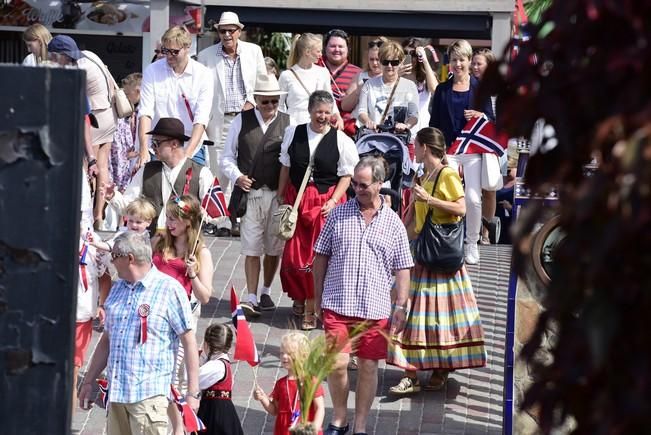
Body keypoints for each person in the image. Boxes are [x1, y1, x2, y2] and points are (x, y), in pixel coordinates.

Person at [313, 156, 413, 435]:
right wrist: (317, 296)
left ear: (380, 184)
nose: (357, 189)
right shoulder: (338, 214)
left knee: (369, 367)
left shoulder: (393, 223)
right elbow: (320, 255)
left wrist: (401, 306)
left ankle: (360, 425)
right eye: (354, 184)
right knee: (337, 362)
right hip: (337, 302)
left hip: (375, 308)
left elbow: (403, 267)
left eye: (364, 185)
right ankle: (340, 419)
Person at [387, 127, 486, 394]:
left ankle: (441, 368)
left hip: (442, 257)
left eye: (416, 146)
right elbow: (413, 219)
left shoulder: (447, 174)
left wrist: (430, 199)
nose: (413, 151)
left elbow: (461, 207)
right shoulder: (422, 175)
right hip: (421, 254)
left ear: (426, 148)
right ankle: (411, 373)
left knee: (441, 319)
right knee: (409, 314)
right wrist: (397, 242)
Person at [78, 231, 201, 435]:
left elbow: (189, 342)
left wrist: (193, 392)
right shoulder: (117, 289)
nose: (111, 261)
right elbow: (107, 340)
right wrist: (89, 380)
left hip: (149, 396)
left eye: (114, 256)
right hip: (118, 394)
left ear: (130, 259)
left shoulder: (169, 289)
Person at [277, 91, 359, 330]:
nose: (322, 117)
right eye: (318, 112)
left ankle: (313, 309)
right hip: (298, 199)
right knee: (295, 257)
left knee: (317, 258)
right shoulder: (294, 133)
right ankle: (300, 299)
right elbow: (285, 166)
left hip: (324, 202)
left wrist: (333, 201)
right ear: (310, 112)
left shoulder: (341, 140)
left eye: (326, 112)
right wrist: (281, 194)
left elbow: (346, 175)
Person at [220, 74, 290, 317]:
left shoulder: (288, 123)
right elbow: (227, 156)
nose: (270, 106)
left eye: (274, 101)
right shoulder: (241, 121)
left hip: (277, 194)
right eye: (266, 101)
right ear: (256, 99)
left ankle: (266, 290)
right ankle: (251, 295)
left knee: (274, 247)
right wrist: (237, 176)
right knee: (251, 246)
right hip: (251, 194)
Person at [198, 11, 267, 237]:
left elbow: (263, 83)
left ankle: (241, 217)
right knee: (219, 169)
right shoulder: (206, 55)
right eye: (222, 30)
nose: (227, 34)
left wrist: (252, 103)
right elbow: (201, 91)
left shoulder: (253, 51)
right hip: (220, 118)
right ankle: (220, 220)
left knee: (247, 166)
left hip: (248, 117)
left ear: (239, 30)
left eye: (231, 30)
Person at [428, 39, 495, 264]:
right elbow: (434, 122)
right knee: (449, 196)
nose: (458, 64)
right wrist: (439, 153)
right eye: (454, 60)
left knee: (474, 199)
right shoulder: (442, 89)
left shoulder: (480, 88)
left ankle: (471, 242)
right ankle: (449, 240)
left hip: (472, 150)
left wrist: (480, 116)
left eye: (462, 59)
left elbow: (491, 120)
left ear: (469, 61)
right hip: (449, 152)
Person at [48, 35, 118, 230]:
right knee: (100, 166)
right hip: (109, 115)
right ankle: (98, 216)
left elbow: (82, 115)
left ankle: (83, 213)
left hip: (93, 117)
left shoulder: (75, 72)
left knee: (85, 165)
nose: (70, 59)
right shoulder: (90, 56)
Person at [103, 117, 214, 236]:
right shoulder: (146, 170)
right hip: (151, 242)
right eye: (152, 143)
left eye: (157, 143)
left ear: (174, 144)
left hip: (184, 245)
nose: (153, 148)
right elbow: (129, 207)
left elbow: (216, 213)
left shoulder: (201, 173)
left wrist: (203, 213)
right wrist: (113, 196)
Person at [138, 26, 213, 170]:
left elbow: (201, 119)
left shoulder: (203, 74)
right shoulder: (152, 70)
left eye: (175, 52)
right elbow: (145, 113)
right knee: (153, 190)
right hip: (158, 146)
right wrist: (143, 149)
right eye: (166, 51)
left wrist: (187, 154)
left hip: (191, 143)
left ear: (188, 48)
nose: (169, 56)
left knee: (192, 190)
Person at [254, 332, 325, 435]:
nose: (284, 356)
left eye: (289, 353)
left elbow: (320, 408)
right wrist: (263, 398)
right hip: (283, 430)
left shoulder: (310, 381)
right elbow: (275, 410)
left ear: (303, 355)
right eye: (282, 353)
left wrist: (314, 428)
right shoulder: (281, 383)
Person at [278, 33, 343, 128]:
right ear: (307, 52)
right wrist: (284, 124)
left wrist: (337, 116)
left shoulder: (323, 72)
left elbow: (330, 98)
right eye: (318, 51)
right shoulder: (287, 75)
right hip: (294, 125)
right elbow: (279, 104)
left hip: (318, 124)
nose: (321, 55)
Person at [357, 40, 419, 134]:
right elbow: (362, 111)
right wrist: (368, 122)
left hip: (400, 138)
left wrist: (406, 126)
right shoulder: (369, 85)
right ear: (380, 62)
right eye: (385, 62)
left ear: (401, 62)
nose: (389, 66)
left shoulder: (410, 86)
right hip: (375, 136)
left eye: (394, 62)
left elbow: (414, 115)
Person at [471, 48, 500, 245]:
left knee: (489, 188)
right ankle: (471, 229)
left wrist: (484, 117)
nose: (474, 67)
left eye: (478, 63)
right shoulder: (468, 85)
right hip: (470, 143)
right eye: (473, 63)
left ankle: (486, 231)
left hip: (492, 143)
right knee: (472, 191)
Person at [198, 323, 243, 435]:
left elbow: (194, 380)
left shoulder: (216, 365)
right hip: (220, 411)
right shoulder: (221, 363)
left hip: (215, 412)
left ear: (207, 344)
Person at [318, 29, 362, 136]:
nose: (337, 49)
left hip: (347, 131)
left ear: (348, 49)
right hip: (318, 128)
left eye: (341, 46)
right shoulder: (315, 69)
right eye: (332, 46)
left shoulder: (359, 74)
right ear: (325, 48)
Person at [110, 73, 142, 194]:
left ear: (138, 91)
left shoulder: (143, 113)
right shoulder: (130, 114)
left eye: (128, 94)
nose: (127, 98)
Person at [89, 198, 156, 253]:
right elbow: (111, 245)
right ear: (127, 218)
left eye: (138, 222)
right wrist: (96, 243)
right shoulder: (123, 234)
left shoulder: (145, 235)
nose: (134, 225)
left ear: (148, 222)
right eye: (130, 221)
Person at [401, 38, 439, 136]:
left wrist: (425, 60)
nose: (410, 57)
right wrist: (396, 75)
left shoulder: (426, 75)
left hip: (421, 129)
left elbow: (435, 90)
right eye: (405, 53)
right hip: (401, 129)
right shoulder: (397, 75)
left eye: (413, 54)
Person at [340, 38, 385, 115]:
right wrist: (358, 90)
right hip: (359, 123)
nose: (374, 63)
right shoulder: (360, 76)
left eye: (378, 59)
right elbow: (344, 106)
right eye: (371, 59)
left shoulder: (391, 77)